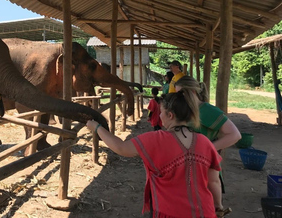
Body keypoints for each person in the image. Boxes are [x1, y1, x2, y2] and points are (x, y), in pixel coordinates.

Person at [87, 90, 222, 217]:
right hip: (205, 211)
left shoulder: (156, 139)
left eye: (161, 112)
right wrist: (218, 204)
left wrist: (97, 128)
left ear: (170, 115)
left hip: (170, 212)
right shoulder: (205, 142)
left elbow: (121, 147)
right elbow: (214, 181)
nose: (160, 115)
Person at [175, 75, 241, 217]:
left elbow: (235, 135)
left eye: (180, 93)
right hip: (188, 165)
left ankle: (218, 208)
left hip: (205, 165)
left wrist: (209, 148)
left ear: (192, 92)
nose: (178, 98)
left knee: (208, 202)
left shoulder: (208, 110)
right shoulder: (186, 111)